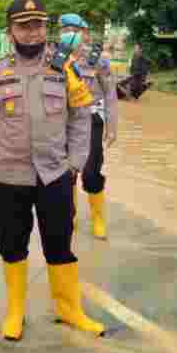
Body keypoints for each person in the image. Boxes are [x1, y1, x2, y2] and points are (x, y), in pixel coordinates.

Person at [0, 0, 104, 340]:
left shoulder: (66, 68)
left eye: (38, 25)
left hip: (54, 174)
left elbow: (81, 117)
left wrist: (75, 163)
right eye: (23, 26)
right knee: (12, 244)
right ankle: (15, 311)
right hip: (9, 175)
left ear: (47, 28)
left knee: (60, 243)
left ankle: (68, 309)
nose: (32, 33)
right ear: (10, 30)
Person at [59, 14, 117, 240]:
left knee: (91, 172)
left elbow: (111, 93)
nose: (68, 33)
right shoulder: (55, 58)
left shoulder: (99, 60)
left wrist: (112, 127)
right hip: (63, 122)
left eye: (74, 28)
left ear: (85, 33)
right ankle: (70, 215)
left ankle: (98, 218)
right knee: (67, 173)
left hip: (92, 120)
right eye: (64, 29)